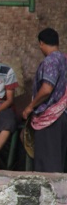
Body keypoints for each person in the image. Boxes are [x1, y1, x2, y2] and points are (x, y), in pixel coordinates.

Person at [22, 28, 67, 173]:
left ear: (41, 43)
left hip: (50, 118)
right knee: (58, 159)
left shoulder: (51, 61)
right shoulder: (63, 59)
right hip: (62, 115)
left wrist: (30, 107)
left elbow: (47, 89)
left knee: (48, 164)